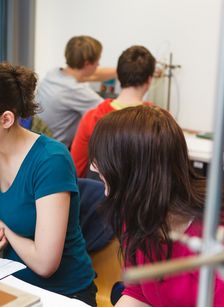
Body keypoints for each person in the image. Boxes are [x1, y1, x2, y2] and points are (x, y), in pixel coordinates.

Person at [0, 62, 96, 305]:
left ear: (6, 119)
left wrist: (2, 225)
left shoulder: (50, 161)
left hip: (65, 294)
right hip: (13, 283)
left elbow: (45, 264)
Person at [88, 105, 224, 306]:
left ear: (136, 176)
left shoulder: (213, 236)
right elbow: (138, 292)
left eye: (105, 176)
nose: (107, 192)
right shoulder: (138, 213)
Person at [71, 45, 156, 177]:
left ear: (119, 76)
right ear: (150, 79)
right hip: (146, 196)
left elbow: (76, 170)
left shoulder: (92, 118)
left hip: (100, 196)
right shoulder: (160, 119)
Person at [37, 35, 116, 148]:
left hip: (37, 143)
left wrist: (119, 71)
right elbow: (111, 114)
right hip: (54, 152)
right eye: (97, 61)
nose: (98, 65)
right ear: (87, 64)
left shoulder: (54, 73)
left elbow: (93, 75)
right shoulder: (75, 90)